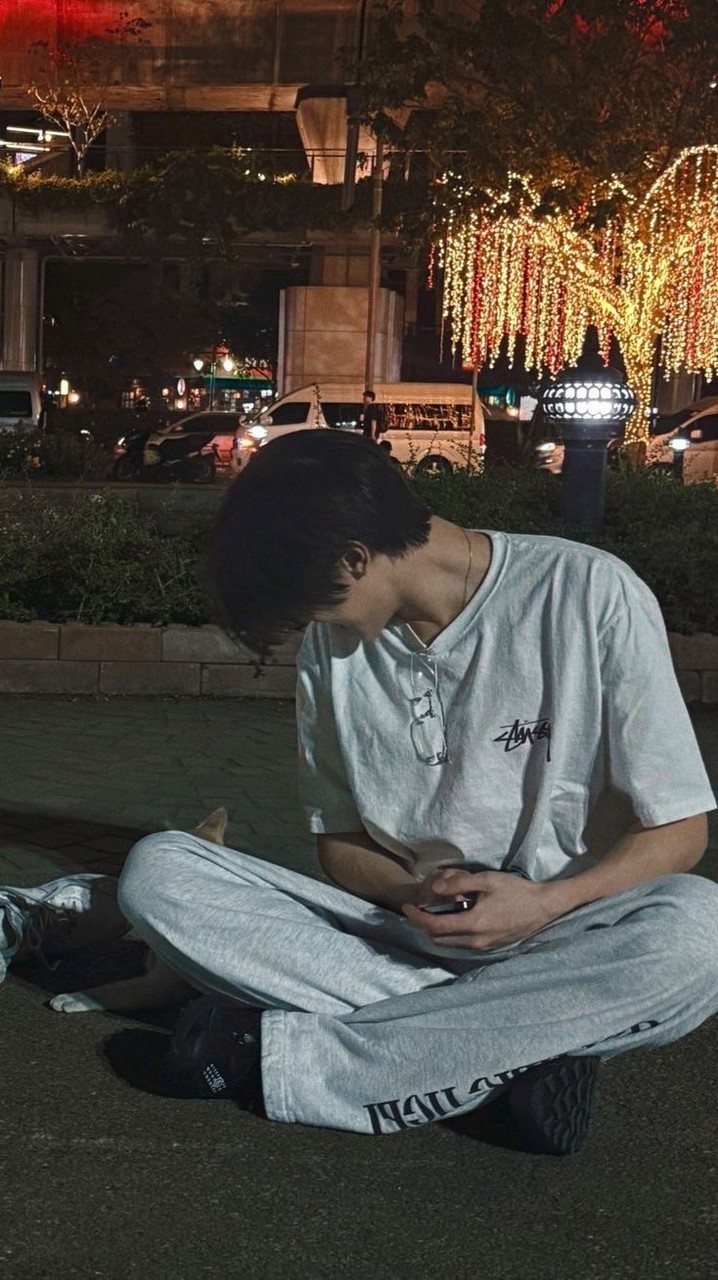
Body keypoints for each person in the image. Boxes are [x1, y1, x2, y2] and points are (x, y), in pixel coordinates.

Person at [118, 430, 717, 1152]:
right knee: (160, 872)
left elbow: (681, 830)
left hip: (569, 935)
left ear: (355, 559)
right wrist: (414, 896)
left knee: (700, 930)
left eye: (311, 605)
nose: (311, 625)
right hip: (409, 938)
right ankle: (498, 1056)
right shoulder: (330, 650)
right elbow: (340, 844)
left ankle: (290, 1061)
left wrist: (544, 903)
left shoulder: (588, 591)